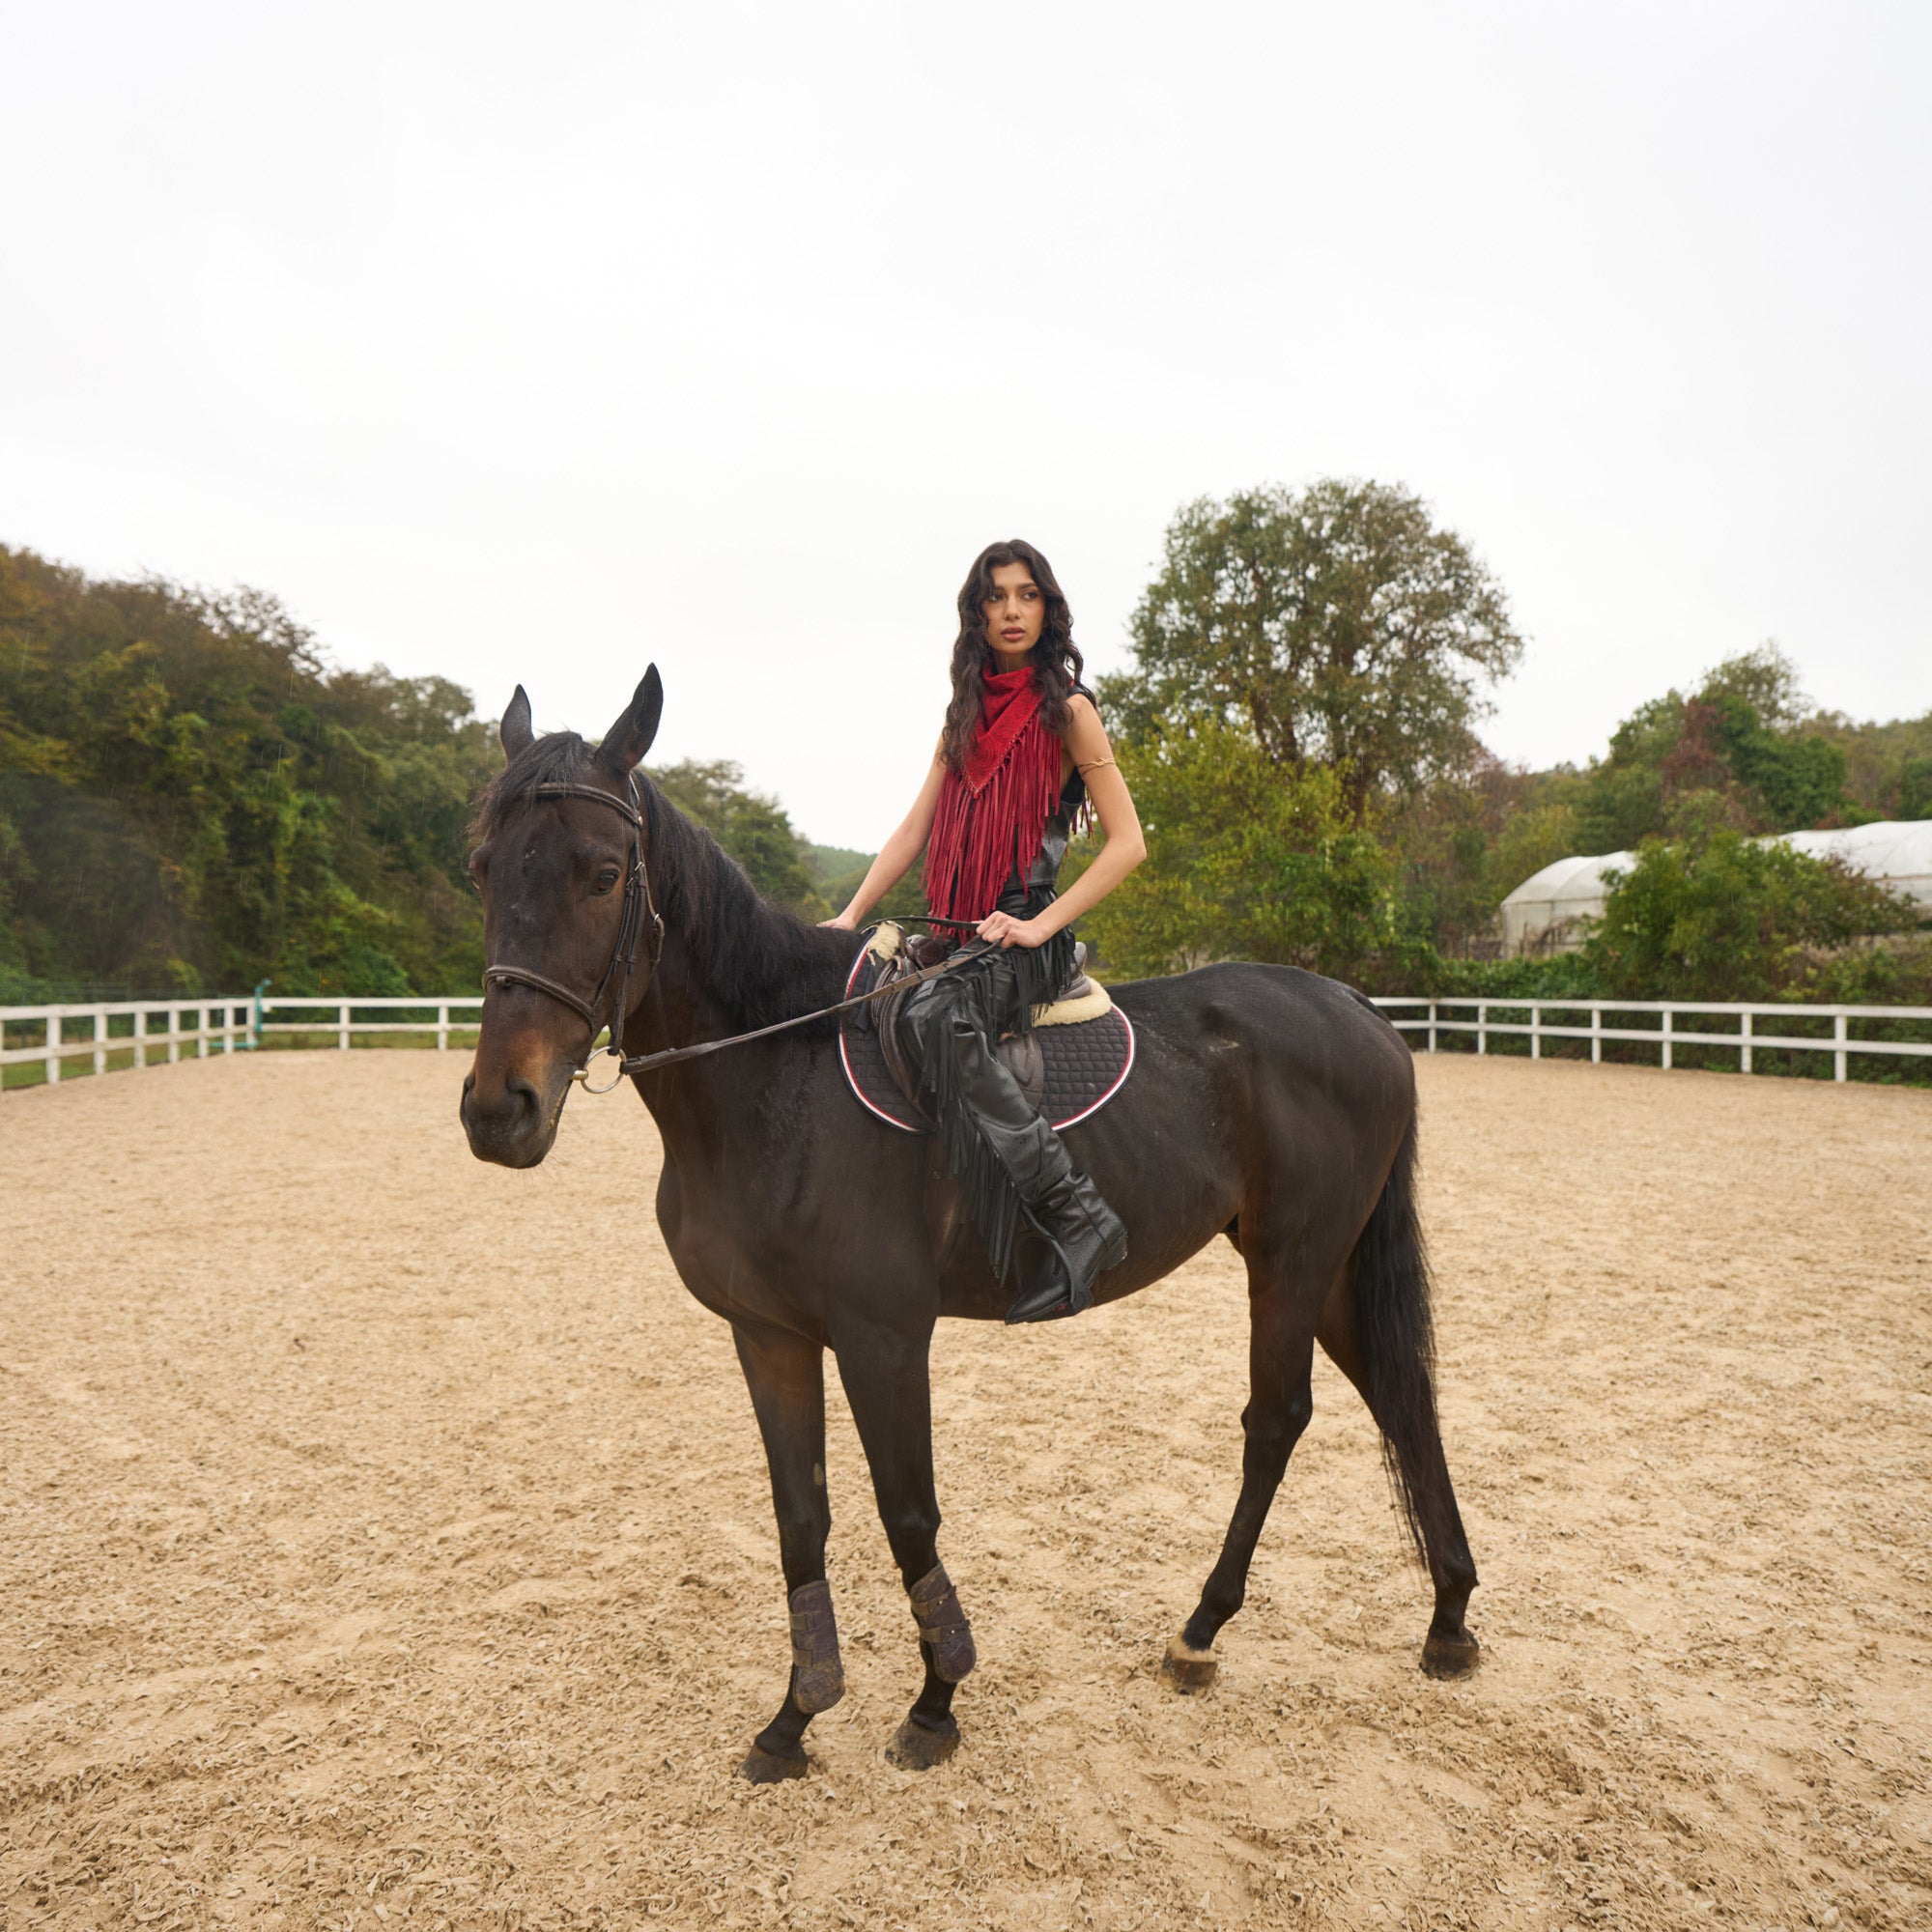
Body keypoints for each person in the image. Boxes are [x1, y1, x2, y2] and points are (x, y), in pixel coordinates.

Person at [824, 539, 1148, 1322]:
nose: (1012, 610)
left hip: (1025, 937)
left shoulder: (1070, 712)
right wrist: (849, 916)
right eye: (996, 597)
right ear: (977, 614)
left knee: (934, 1014)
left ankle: (1077, 1214)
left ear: (1048, 608)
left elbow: (1129, 844)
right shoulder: (961, 716)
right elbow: (913, 833)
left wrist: (1040, 927)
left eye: (1027, 595)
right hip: (957, 934)